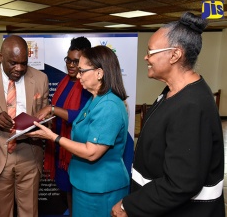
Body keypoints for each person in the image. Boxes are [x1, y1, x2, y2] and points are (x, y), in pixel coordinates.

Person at [111, 12, 225, 217]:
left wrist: (129, 206)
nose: (146, 57)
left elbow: (180, 183)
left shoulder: (191, 105)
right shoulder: (173, 92)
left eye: (151, 52)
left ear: (175, 55)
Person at [28, 45, 130, 217]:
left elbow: (91, 152)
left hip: (101, 190)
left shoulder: (109, 106)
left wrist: (53, 137)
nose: (78, 75)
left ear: (99, 73)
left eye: (82, 71)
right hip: (85, 184)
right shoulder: (95, 99)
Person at [0, 35, 49, 217]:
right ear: (0, 56)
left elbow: (47, 116)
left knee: (29, 212)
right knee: (0, 213)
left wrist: (42, 124)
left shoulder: (40, 78)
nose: (19, 68)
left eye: (24, 63)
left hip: (30, 154)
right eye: (13, 63)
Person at [36, 36, 92, 215]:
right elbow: (58, 113)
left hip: (76, 151)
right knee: (67, 193)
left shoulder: (87, 86)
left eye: (76, 61)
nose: (71, 65)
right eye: (68, 60)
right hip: (61, 149)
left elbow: (81, 117)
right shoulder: (65, 81)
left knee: (77, 195)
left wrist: (52, 109)